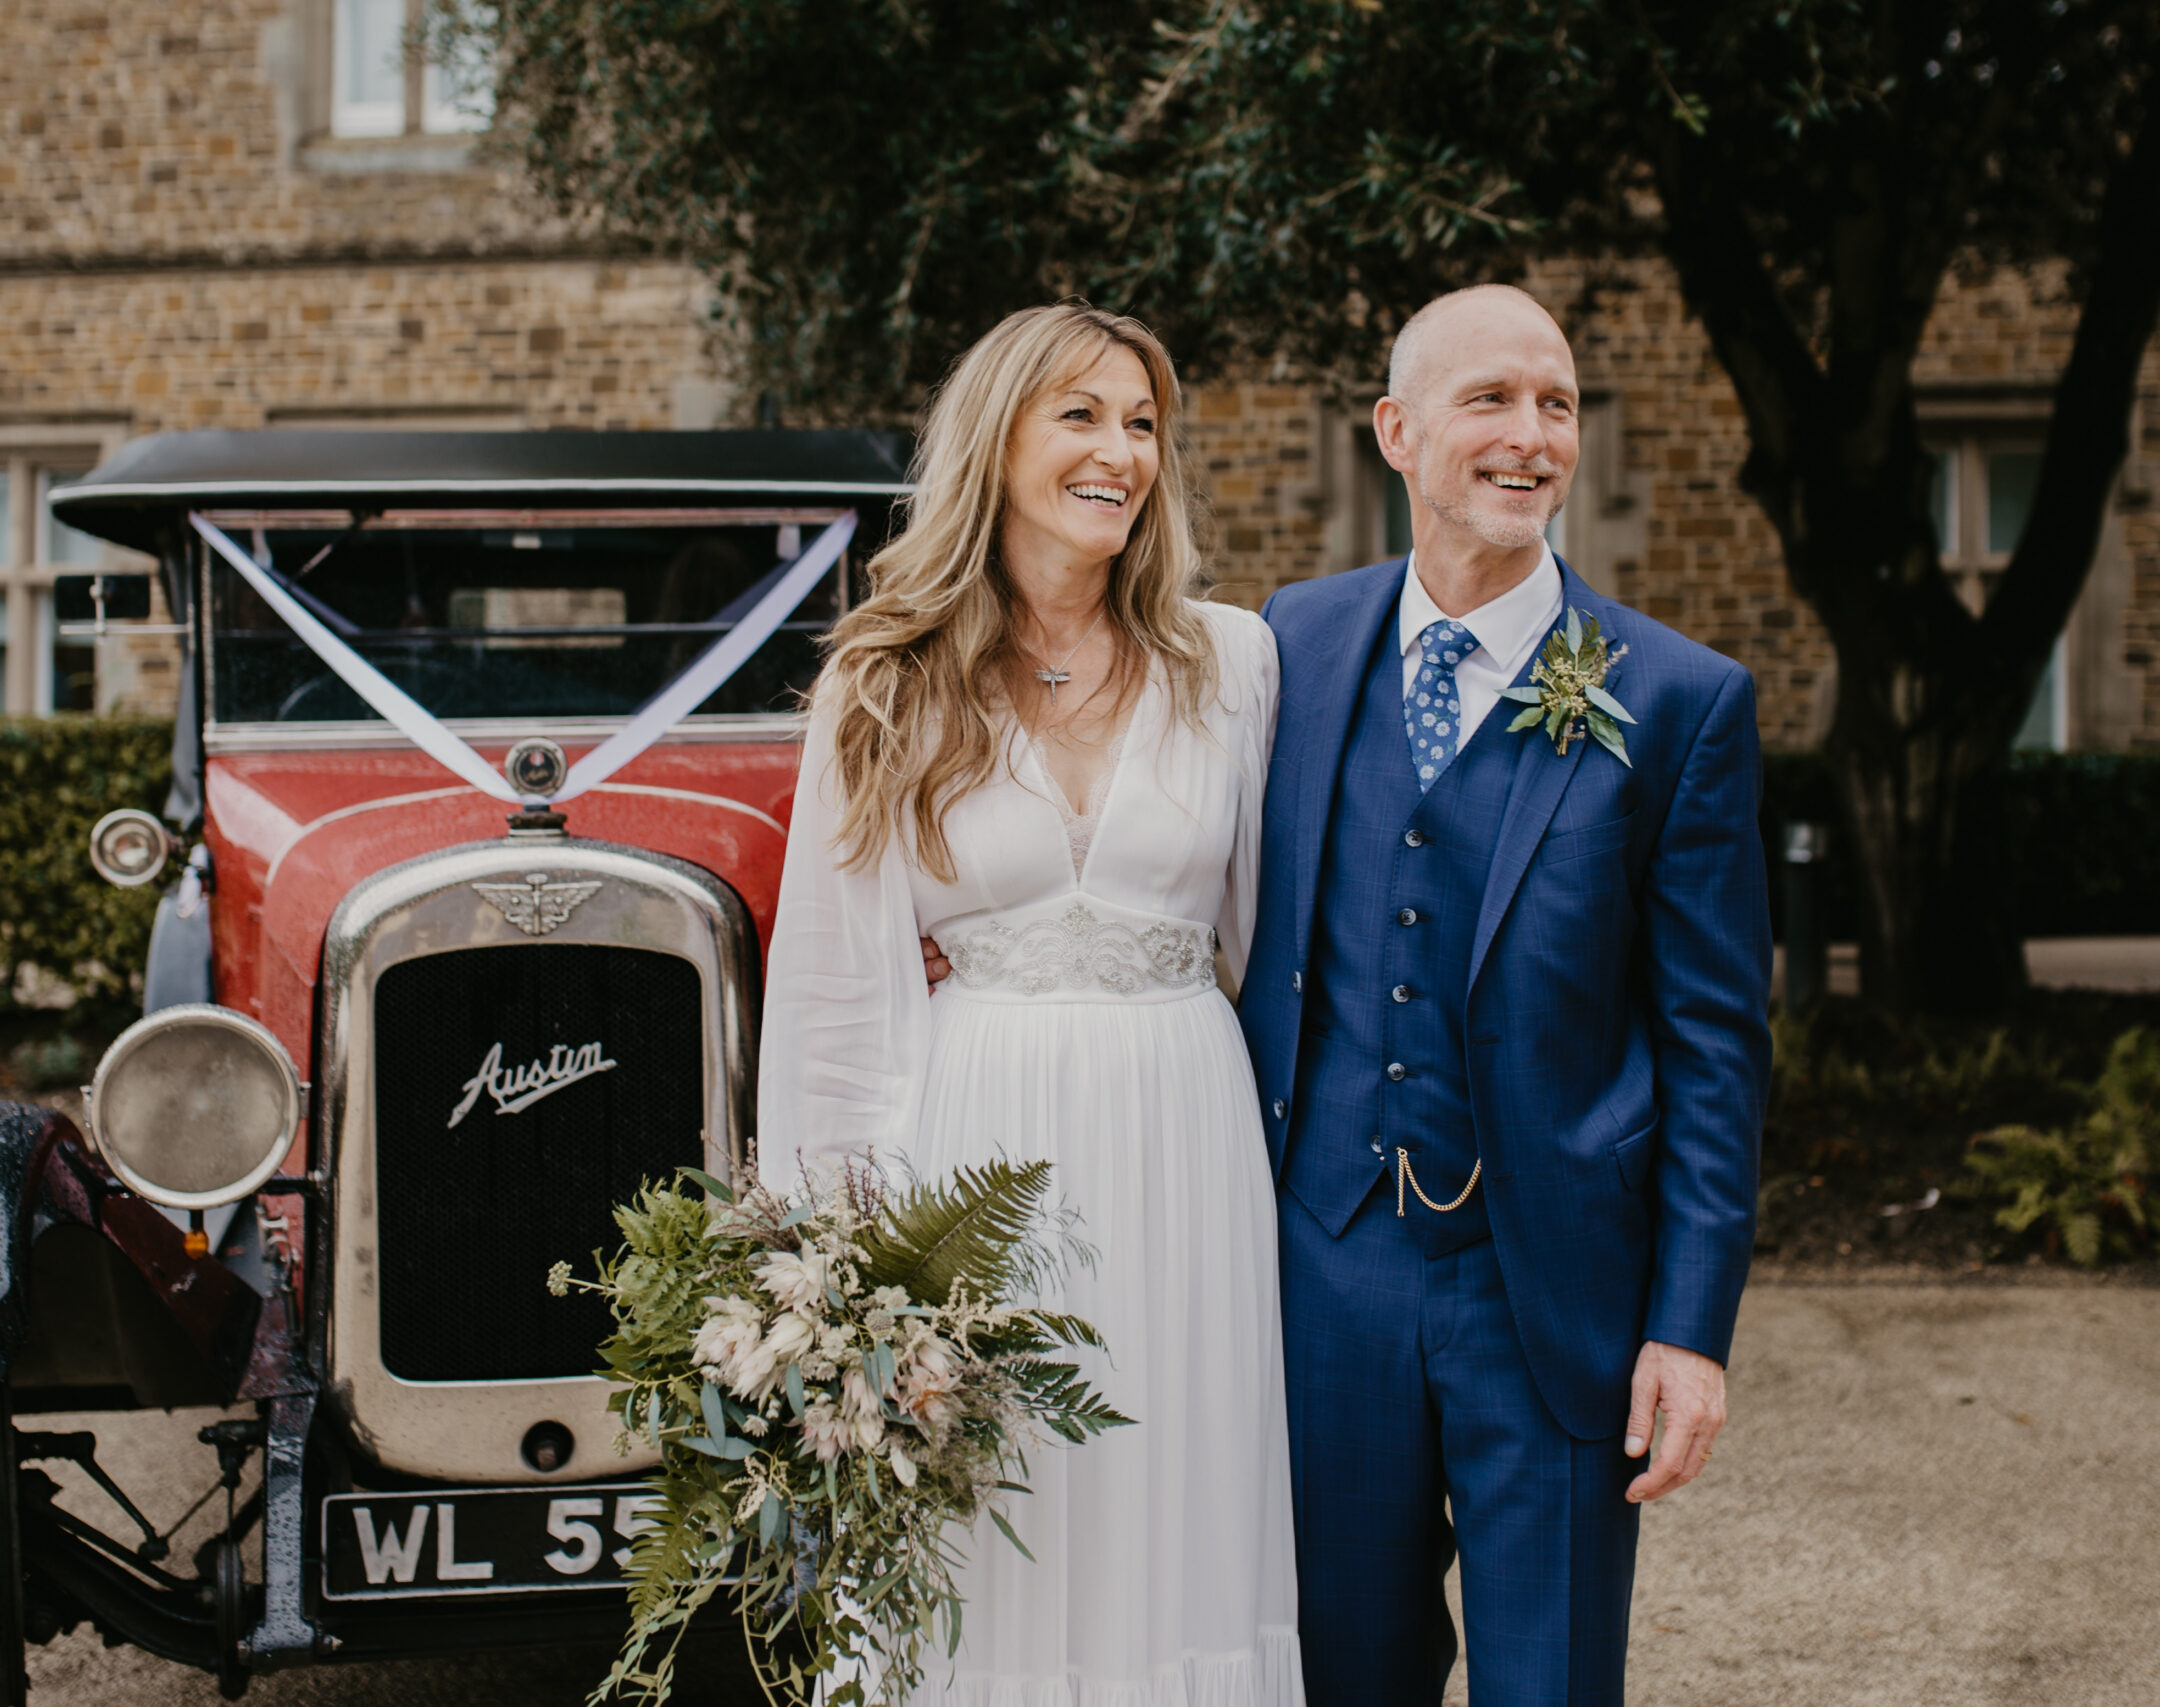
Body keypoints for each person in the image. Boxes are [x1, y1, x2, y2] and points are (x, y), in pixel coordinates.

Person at [755, 302, 1304, 1707]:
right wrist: (835, 1293)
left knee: (1178, 1490)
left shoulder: (1230, 663)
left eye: (1142, 424)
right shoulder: (882, 682)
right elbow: (834, 1002)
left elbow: (1274, 944)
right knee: (995, 1519)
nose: (1122, 450)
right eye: (1083, 415)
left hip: (1190, 1141)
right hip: (974, 1152)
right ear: (996, 441)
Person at [1238, 284, 1772, 1705]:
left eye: (1558, 403)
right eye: (1491, 399)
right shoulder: (1287, 646)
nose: (1530, 435)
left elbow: (1716, 1041)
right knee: (1347, 1673)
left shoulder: (1677, 699)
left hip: (1553, 1290)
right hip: (1325, 1274)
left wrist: (1692, 1327)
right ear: (1397, 432)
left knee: (1552, 1682)